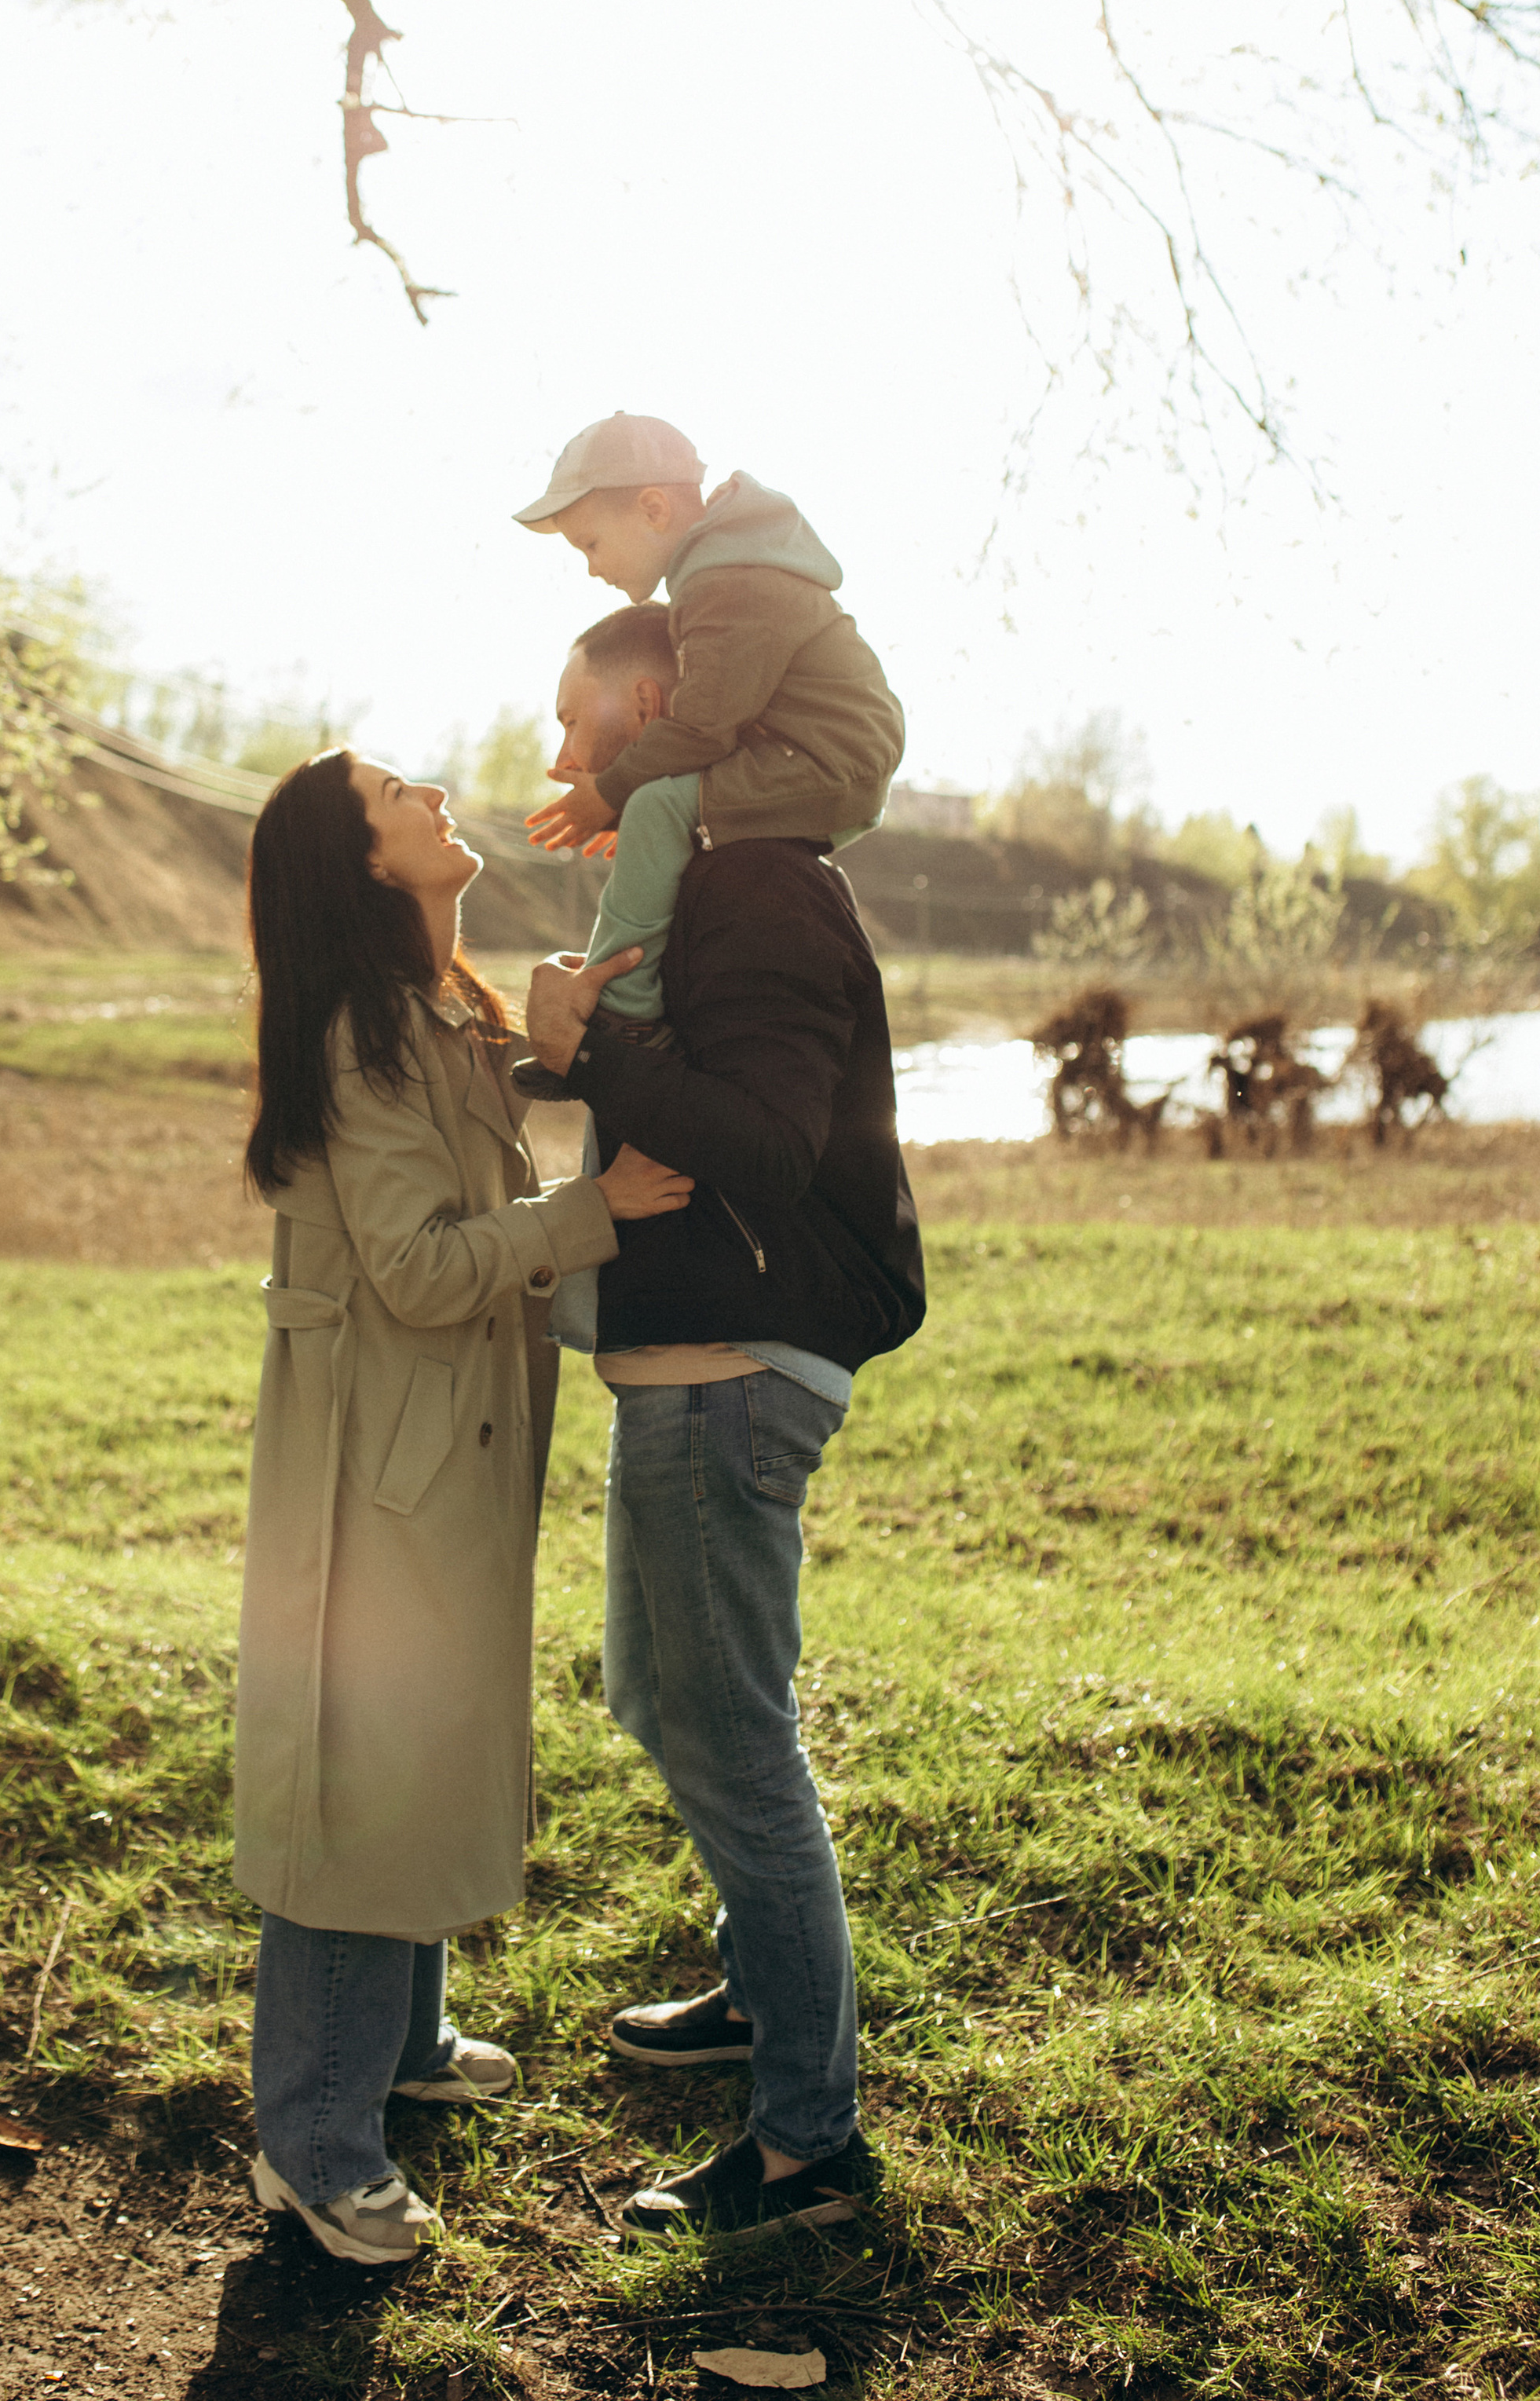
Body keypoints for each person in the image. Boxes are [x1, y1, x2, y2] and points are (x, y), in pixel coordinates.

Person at [234, 748, 693, 2266]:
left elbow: (486, 1104)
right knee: (360, 1780)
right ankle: (313, 2138)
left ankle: (404, 2046)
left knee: (418, 1740)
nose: (433, 791)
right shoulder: (360, 1035)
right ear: (364, 865)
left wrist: (554, 1029)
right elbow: (420, 1266)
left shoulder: (439, 1012)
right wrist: (592, 1211)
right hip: (384, 1452)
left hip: (441, 1439)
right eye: (395, 793)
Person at [523, 610, 927, 2242]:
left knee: (735, 1742)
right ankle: (764, 1992)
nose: (558, 756)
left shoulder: (757, 884)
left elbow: (758, 1145)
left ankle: (802, 2150)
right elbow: (681, 1102)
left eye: (571, 719)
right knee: (667, 1710)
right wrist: (565, 1055)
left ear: (650, 699)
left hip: (733, 1371)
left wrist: (591, 1049)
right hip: (688, 1364)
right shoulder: (706, 880)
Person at [510, 412, 904, 1085]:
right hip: (819, 754)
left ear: (655, 509)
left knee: (660, 809)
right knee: (663, 813)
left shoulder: (724, 581)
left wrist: (610, 793)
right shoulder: (728, 565)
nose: (590, 568)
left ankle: (624, 1013)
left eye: (592, 544)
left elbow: (702, 729)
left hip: (825, 760)